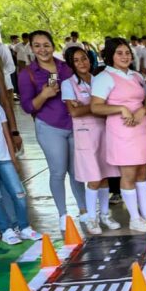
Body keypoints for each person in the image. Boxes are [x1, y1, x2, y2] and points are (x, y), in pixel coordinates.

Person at [18, 30, 89, 232]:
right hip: (50, 127)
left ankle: (84, 211)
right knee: (58, 171)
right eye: (37, 45)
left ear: (53, 46)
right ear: (31, 48)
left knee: (77, 172)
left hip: (73, 125)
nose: (43, 49)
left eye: (46, 45)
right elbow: (27, 107)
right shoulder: (28, 74)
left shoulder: (65, 68)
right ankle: (63, 214)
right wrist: (44, 95)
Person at [90, 37, 146, 232]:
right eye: (119, 53)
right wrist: (121, 108)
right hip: (122, 131)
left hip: (141, 128)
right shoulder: (104, 77)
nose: (125, 56)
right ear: (110, 56)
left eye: (127, 52)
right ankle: (135, 218)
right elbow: (95, 106)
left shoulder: (136, 77)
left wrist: (143, 112)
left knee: (143, 171)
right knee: (128, 173)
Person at [61, 46, 120, 234]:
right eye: (76, 60)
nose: (82, 63)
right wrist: (96, 106)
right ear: (71, 64)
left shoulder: (98, 80)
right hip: (86, 134)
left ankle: (104, 214)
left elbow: (107, 104)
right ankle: (91, 219)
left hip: (104, 131)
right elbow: (74, 111)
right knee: (93, 178)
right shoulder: (68, 84)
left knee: (104, 176)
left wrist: (89, 106)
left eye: (84, 58)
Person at [0, 102, 42, 244]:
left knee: (19, 194)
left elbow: (6, 135)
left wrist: (13, 158)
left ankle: (23, 227)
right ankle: (5, 230)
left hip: (4, 158)